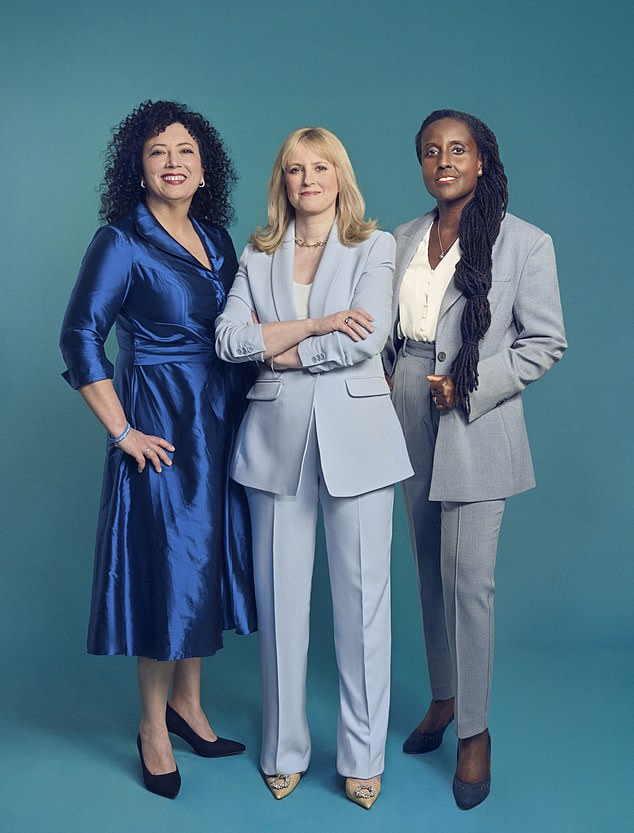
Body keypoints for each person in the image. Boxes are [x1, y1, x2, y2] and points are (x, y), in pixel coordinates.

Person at [59, 100, 256, 799]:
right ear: (137, 169)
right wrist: (121, 430)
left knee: (202, 568)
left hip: (221, 422)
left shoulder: (219, 237)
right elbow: (80, 337)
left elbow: (243, 331)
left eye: (186, 152)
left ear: (205, 170)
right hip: (161, 427)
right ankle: (151, 724)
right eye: (157, 153)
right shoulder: (120, 241)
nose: (173, 163)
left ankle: (189, 706)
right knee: (162, 574)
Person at [215, 127, 412, 809]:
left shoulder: (373, 246)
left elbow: (370, 336)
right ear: (283, 182)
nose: (307, 179)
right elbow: (230, 339)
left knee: (363, 608)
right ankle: (283, 749)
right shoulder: (257, 252)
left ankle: (362, 757)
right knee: (281, 606)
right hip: (276, 443)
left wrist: (284, 349)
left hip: (357, 440)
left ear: (339, 176)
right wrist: (314, 325)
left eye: (320, 166)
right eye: (295, 169)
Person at [383, 109, 566, 810]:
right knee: (427, 565)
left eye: (457, 149)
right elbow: (391, 333)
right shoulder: (401, 238)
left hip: (472, 411)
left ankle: (476, 731)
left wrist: (471, 385)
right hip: (405, 404)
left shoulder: (526, 243)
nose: (443, 160)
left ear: (483, 160)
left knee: (470, 580)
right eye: (430, 151)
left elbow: (544, 341)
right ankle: (443, 695)